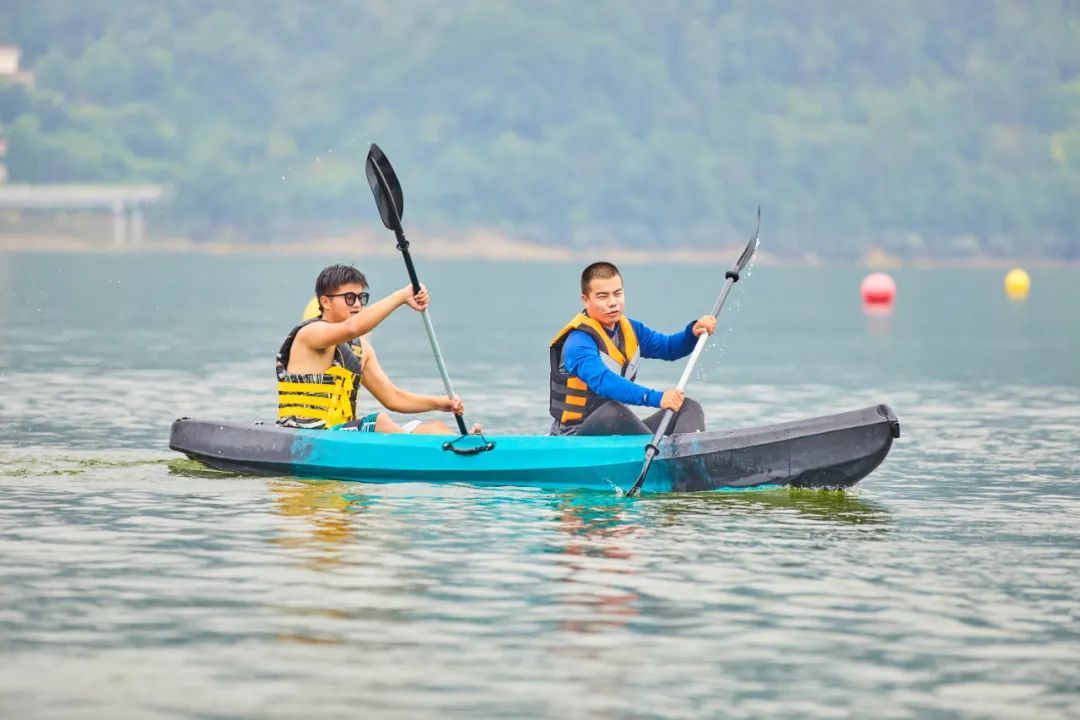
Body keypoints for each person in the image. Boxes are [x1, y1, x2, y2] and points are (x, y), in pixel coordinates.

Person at [277, 263, 474, 434]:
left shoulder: (361, 350)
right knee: (379, 422)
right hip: (301, 433)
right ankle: (434, 455)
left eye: (361, 298)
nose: (356, 304)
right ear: (325, 302)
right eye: (349, 298)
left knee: (435, 429)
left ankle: (463, 450)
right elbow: (353, 327)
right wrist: (401, 296)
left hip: (340, 435)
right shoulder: (310, 334)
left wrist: (440, 403)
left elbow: (393, 398)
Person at [549, 261, 716, 436]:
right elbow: (604, 382)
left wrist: (693, 333)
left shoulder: (631, 330)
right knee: (613, 412)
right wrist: (657, 398)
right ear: (586, 300)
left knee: (688, 407)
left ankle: (686, 455)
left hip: (617, 430)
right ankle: (660, 454)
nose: (613, 303)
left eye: (617, 294)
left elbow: (668, 348)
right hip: (575, 437)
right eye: (602, 296)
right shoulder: (578, 342)